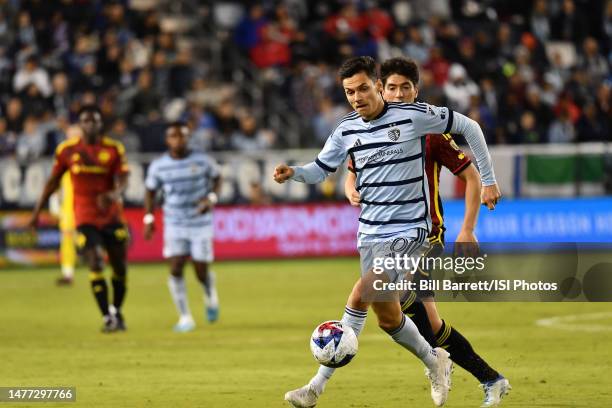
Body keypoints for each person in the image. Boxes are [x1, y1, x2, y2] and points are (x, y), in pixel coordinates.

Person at [275, 56, 501, 408]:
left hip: (413, 231)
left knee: (360, 292)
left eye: (363, 88)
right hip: (370, 234)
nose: (356, 97)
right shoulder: (346, 130)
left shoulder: (414, 117)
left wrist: (488, 180)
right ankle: (435, 361)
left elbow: (470, 127)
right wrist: (294, 173)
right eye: (349, 91)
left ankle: (315, 388)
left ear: (377, 87)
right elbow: (320, 170)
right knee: (388, 316)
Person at [344, 57, 511, 407]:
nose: (399, 93)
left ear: (416, 91)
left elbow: (469, 176)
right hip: (386, 236)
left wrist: (468, 228)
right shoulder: (368, 127)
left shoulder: (431, 131)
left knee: (399, 302)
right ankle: (489, 378)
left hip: (426, 236)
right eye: (392, 87)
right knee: (427, 322)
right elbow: (352, 164)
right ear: (380, 89)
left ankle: (456, 368)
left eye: (406, 87)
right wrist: (350, 185)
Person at [29, 105, 130, 332]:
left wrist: (114, 194)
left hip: (112, 216)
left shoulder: (113, 149)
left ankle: (116, 310)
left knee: (119, 267)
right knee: (94, 261)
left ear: (100, 124)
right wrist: (37, 212)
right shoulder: (66, 150)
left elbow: (124, 178)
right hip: (85, 218)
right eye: (86, 121)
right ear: (80, 124)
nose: (90, 125)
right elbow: (52, 182)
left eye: (94, 121)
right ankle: (107, 317)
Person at [144, 122, 221, 332]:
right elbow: (150, 191)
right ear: (168, 140)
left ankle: (209, 292)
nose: (178, 140)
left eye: (182, 136)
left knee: (200, 272)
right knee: (176, 267)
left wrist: (211, 198)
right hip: (174, 222)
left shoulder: (202, 160)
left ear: (188, 138)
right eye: (174, 137)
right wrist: (149, 218)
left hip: (200, 223)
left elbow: (217, 178)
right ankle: (185, 317)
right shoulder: (159, 166)